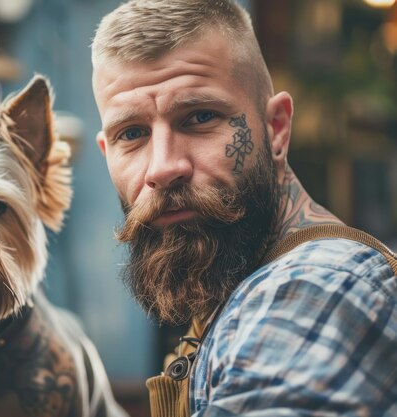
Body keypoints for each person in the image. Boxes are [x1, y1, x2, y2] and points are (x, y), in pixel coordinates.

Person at [91, 0, 397, 416]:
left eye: (199, 117)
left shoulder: (312, 287)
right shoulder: (241, 282)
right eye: (132, 133)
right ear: (106, 151)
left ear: (276, 129)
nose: (162, 168)